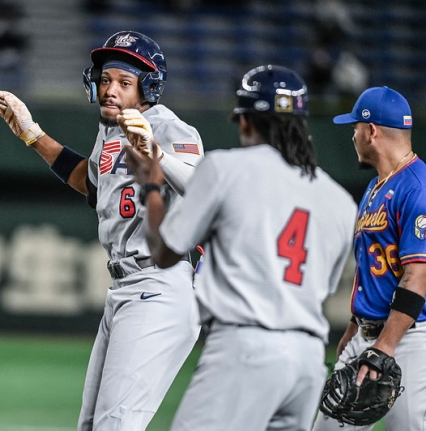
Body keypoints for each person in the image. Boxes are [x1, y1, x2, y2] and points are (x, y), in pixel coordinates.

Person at [0, 31, 205, 431]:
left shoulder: (170, 128)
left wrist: (156, 153)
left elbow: (204, 189)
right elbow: (89, 181)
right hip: (125, 289)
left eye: (124, 82)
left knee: (115, 426)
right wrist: (32, 135)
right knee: (92, 426)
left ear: (149, 86)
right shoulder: (110, 130)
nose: (110, 90)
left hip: (160, 286)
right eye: (105, 79)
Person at [123, 64, 357, 431]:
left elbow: (165, 251)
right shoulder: (342, 201)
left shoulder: (225, 168)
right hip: (309, 360)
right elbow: (325, 287)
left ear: (246, 121)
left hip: (244, 348)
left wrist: (152, 185)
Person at [312, 87, 426, 431]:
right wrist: (354, 326)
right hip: (368, 334)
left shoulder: (417, 187)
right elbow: (373, 274)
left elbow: (417, 277)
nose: (353, 136)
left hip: (408, 338)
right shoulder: (376, 187)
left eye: (354, 128)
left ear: (371, 131)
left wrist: (384, 346)